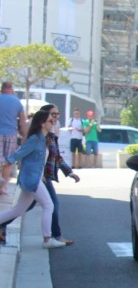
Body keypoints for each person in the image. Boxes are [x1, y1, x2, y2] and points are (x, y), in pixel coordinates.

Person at [0, 109, 66, 248]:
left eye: (54, 119)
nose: (53, 121)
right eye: (50, 120)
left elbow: (39, 160)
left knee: (18, 210)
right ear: (42, 123)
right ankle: (47, 240)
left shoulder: (43, 139)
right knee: (49, 206)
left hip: (33, 178)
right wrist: (5, 163)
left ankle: (48, 239)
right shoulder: (35, 139)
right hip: (31, 179)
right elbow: (20, 153)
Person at [39, 105, 79, 246]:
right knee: (52, 204)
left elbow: (57, 158)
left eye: (57, 114)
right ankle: (54, 237)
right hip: (40, 178)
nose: (56, 118)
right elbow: (28, 155)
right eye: (53, 115)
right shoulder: (40, 136)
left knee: (23, 207)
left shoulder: (51, 135)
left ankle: (2, 225)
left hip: (43, 177)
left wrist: (70, 172)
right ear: (45, 117)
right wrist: (40, 174)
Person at [0, 82, 26, 197]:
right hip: (11, 134)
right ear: (11, 89)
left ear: (2, 89)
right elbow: (23, 122)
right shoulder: (17, 102)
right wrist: (25, 136)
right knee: (9, 160)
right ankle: (4, 187)